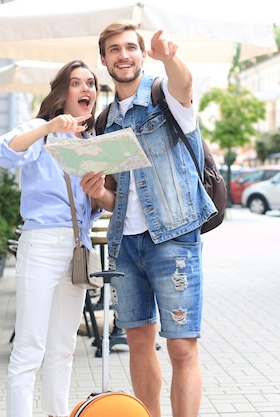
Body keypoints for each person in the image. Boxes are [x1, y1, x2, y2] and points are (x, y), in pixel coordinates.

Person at [80, 21, 217, 417]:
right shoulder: (105, 121)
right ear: (103, 59)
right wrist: (98, 193)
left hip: (174, 239)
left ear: (142, 54)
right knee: (139, 343)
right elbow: (116, 200)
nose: (123, 55)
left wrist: (170, 56)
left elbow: (185, 84)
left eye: (130, 48)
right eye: (114, 50)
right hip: (126, 245)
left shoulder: (164, 97)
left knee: (181, 345)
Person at [0, 60, 103, 417]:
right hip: (41, 244)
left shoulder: (92, 141)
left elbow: (96, 207)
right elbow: (2, 152)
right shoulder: (42, 130)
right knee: (29, 347)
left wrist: (97, 191)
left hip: (77, 247)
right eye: (76, 83)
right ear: (62, 92)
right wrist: (49, 126)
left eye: (91, 83)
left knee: (63, 347)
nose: (85, 89)